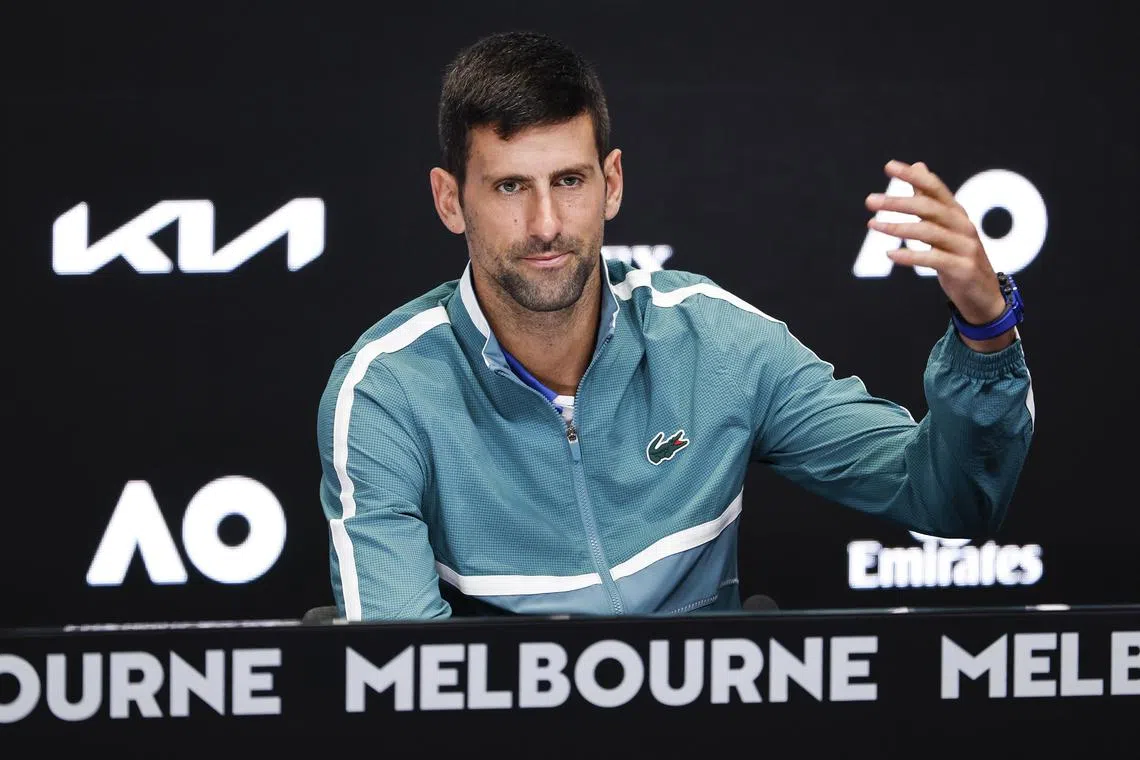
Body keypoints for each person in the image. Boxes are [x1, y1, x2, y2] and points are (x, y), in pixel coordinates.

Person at [316, 30, 1035, 622]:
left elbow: (951, 497)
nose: (545, 225)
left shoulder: (716, 344)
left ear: (613, 184)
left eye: (569, 181)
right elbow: (405, 682)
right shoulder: (387, 393)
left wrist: (984, 328)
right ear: (450, 200)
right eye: (510, 187)